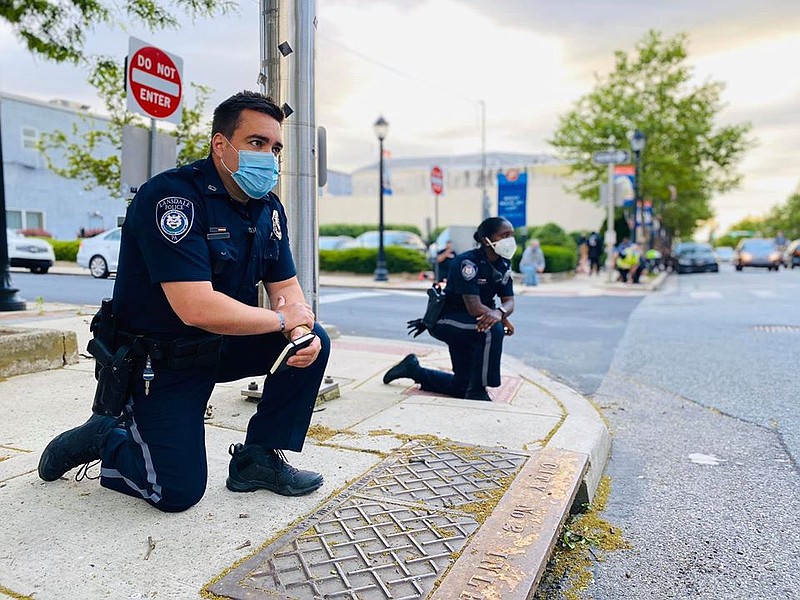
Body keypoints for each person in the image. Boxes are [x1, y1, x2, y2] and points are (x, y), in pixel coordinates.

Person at [38, 91, 330, 512]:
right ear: (220, 144)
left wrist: (299, 329)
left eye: (275, 147)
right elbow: (197, 308)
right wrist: (284, 321)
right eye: (256, 143)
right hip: (161, 363)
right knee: (177, 493)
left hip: (220, 345)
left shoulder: (268, 209)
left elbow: (286, 288)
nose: (268, 156)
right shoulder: (173, 200)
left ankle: (258, 459)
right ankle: (106, 436)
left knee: (311, 342)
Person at [383, 217, 515, 401]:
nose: (510, 240)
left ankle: (413, 370)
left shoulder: (503, 264)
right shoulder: (467, 263)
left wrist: (500, 313)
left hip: (471, 323)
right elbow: (474, 307)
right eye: (505, 235)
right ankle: (478, 391)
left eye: (512, 235)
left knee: (462, 386)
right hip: (448, 320)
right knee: (492, 330)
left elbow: (509, 301)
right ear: (487, 240)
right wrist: (497, 318)